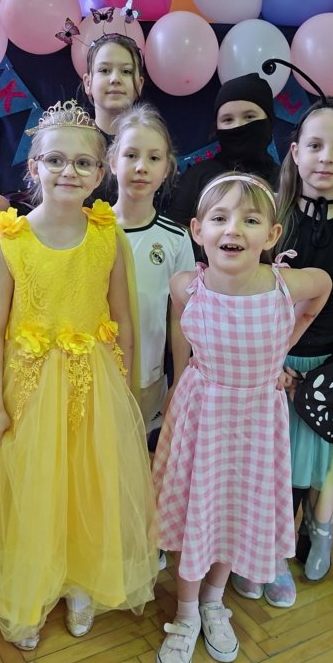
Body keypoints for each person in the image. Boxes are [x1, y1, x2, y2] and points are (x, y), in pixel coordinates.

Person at [0, 100, 158, 651]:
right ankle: (28, 590)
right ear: (34, 167)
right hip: (28, 389)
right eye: (55, 160)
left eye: (82, 163)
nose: (68, 172)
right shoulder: (11, 241)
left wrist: (125, 385)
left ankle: (80, 581)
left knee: (87, 483)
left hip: (93, 384)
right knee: (30, 488)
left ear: (100, 173)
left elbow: (122, 317)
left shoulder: (107, 236)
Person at [151, 173, 332, 663]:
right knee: (200, 510)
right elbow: (182, 328)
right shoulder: (187, 285)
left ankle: (214, 600)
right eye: (220, 218)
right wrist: (181, 376)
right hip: (203, 416)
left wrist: (286, 342)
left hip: (256, 420)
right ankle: (186, 613)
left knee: (234, 510)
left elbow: (323, 286)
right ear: (198, 230)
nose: (233, 228)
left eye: (250, 220)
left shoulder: (286, 285)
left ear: (271, 236)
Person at [230, 96, 333, 608]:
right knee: (259, 461)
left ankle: (285, 548)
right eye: (316, 146)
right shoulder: (268, 218)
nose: (327, 158)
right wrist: (268, 362)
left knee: (301, 466)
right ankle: (248, 548)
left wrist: (332, 370)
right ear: (295, 152)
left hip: (326, 368)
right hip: (265, 363)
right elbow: (242, 288)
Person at [0, 32, 146, 229]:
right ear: (88, 83)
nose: (115, 79)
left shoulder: (149, 143)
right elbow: (43, 198)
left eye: (126, 71)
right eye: (104, 70)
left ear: (139, 84)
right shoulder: (68, 137)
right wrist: (10, 210)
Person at [108, 103, 196, 442]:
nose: (141, 167)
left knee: (138, 457)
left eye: (154, 158)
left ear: (166, 168)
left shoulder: (175, 239)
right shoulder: (90, 229)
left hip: (148, 377)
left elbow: (180, 316)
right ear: (112, 162)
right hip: (94, 372)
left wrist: (179, 379)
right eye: (131, 155)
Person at [165, 72, 279, 226]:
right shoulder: (196, 177)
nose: (238, 125)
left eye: (249, 117)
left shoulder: (285, 180)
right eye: (228, 119)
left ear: (268, 121)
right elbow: (176, 233)